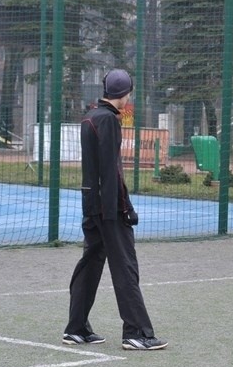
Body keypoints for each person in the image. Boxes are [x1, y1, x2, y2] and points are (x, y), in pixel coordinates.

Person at [62, 69, 168, 351]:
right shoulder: (108, 120)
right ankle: (136, 332)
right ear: (125, 94)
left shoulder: (91, 117)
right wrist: (125, 207)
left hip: (92, 203)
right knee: (125, 267)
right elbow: (112, 172)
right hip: (109, 207)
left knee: (91, 263)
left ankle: (76, 328)